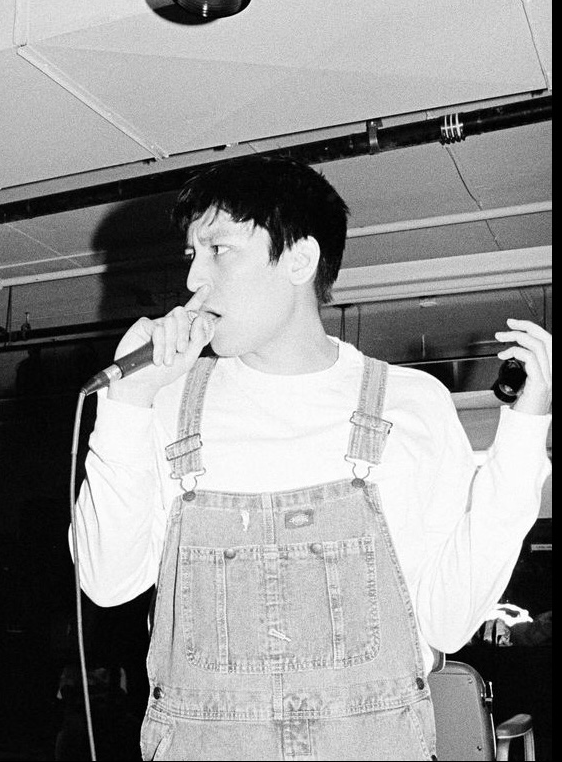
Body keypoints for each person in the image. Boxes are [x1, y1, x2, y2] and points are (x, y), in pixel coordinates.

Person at [70, 156, 552, 761]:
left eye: (219, 249)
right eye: (191, 254)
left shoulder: (410, 402)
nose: (194, 279)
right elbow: (107, 582)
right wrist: (128, 402)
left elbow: (448, 620)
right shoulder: (166, 403)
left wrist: (524, 432)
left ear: (300, 258)